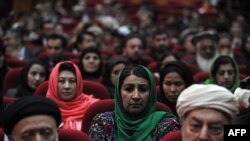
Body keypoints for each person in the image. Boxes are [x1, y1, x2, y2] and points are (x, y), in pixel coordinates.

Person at [89, 64, 180, 140]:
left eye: (143, 89)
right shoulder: (102, 122)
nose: (136, 96)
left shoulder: (167, 125)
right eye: (129, 89)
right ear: (118, 92)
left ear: (151, 93)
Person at [46, 61, 99, 131]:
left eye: (72, 81)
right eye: (61, 81)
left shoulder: (93, 107)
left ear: (78, 84)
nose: (67, 86)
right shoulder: (44, 109)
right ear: (53, 83)